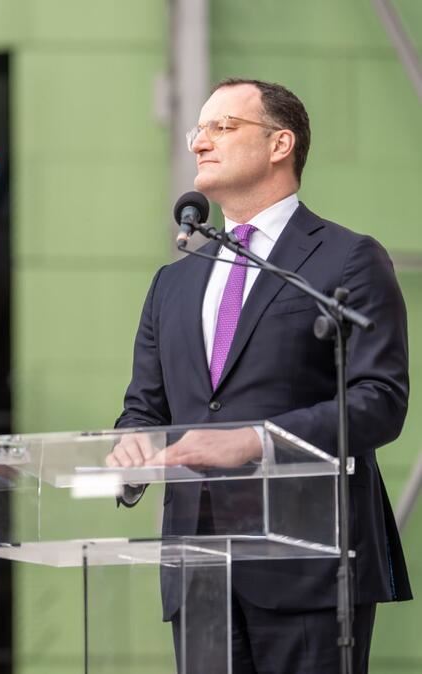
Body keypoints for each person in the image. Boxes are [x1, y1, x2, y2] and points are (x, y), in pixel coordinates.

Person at [108, 78, 411, 673]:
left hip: (310, 564)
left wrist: (256, 440)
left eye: (222, 127)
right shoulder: (173, 282)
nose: (201, 142)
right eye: (198, 131)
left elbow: (379, 400)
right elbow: (144, 408)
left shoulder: (348, 258)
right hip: (198, 571)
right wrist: (131, 448)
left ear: (280, 144)